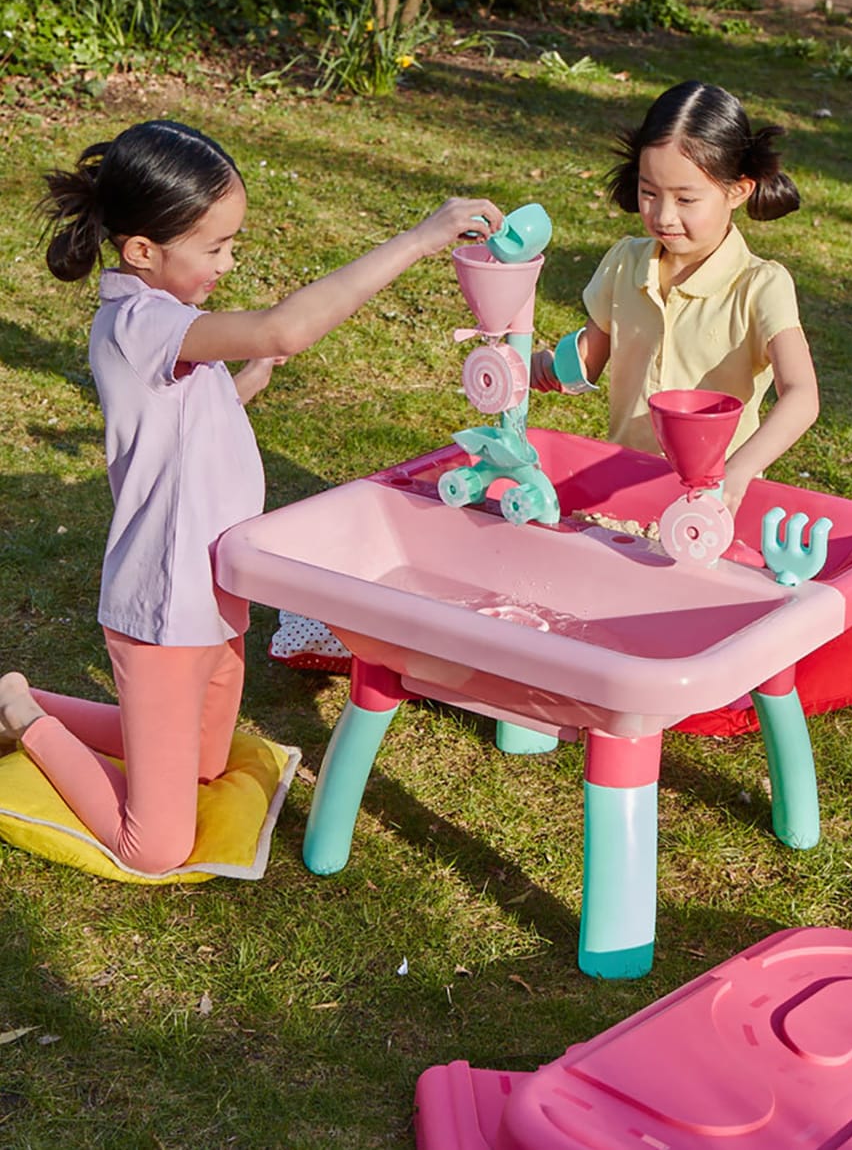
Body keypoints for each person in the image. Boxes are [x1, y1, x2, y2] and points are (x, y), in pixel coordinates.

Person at [0, 119, 502, 874]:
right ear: (143, 251)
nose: (229, 262)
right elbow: (281, 330)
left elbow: (171, 431)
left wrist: (231, 394)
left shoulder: (163, 321)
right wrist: (418, 239)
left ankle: (18, 694)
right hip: (165, 613)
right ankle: (24, 717)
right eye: (216, 247)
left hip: (214, 599)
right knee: (156, 847)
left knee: (204, 761)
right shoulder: (142, 321)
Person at [532, 79, 819, 515]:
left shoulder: (760, 287)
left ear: (737, 191)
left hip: (714, 509)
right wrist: (546, 368)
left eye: (686, 199)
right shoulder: (625, 263)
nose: (663, 216)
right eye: (649, 193)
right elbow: (587, 361)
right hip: (623, 493)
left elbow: (801, 395)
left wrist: (738, 472)